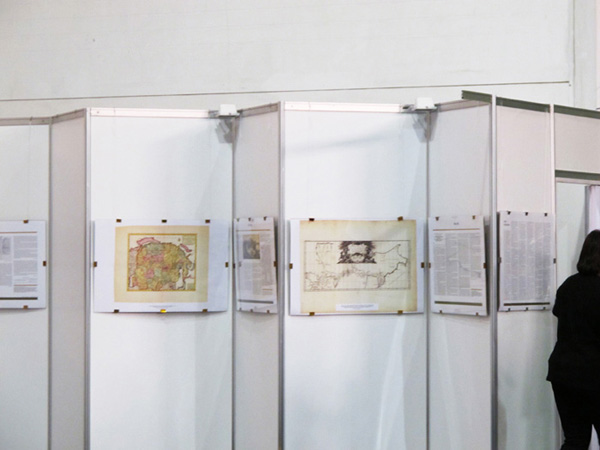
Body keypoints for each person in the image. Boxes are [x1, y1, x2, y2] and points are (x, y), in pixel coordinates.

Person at [548, 229, 600, 449]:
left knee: (575, 440)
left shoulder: (568, 285)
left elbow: (559, 313)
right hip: (594, 375)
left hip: (564, 373)